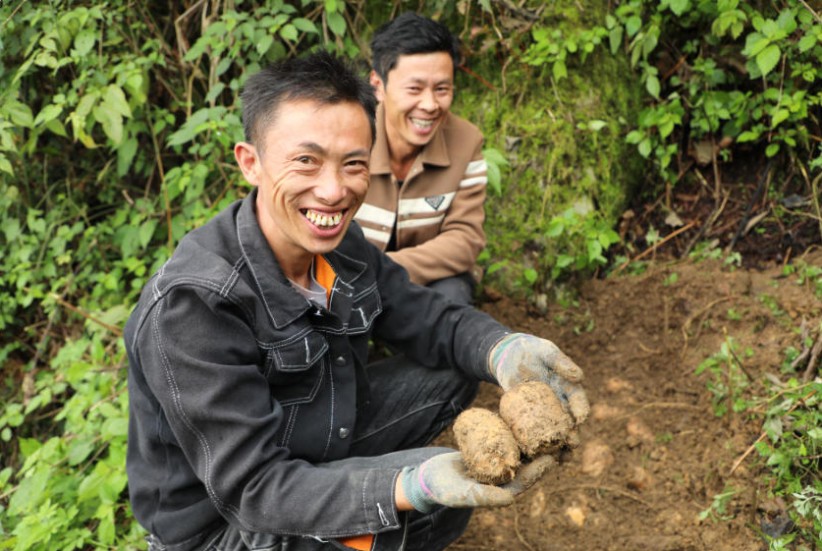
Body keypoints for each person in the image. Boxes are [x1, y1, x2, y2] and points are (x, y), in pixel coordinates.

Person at [124, 51, 589, 551]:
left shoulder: (340, 247)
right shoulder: (194, 307)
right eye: (306, 160)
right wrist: (410, 484)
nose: (333, 190)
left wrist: (504, 350)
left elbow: (430, 319)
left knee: (460, 366)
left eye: (353, 164)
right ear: (250, 162)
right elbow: (254, 489)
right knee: (432, 515)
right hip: (225, 526)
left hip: (311, 442)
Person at [354, 13, 487, 305]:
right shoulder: (346, 138)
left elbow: (464, 240)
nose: (429, 105)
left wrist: (384, 272)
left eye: (442, 89)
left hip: (424, 281)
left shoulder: (466, 142)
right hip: (348, 281)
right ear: (378, 85)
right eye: (414, 89)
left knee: (453, 294)